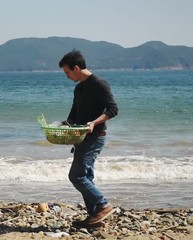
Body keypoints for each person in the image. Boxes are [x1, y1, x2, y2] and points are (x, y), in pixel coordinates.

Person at [58, 50, 118, 227]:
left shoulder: (99, 84)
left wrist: (93, 123)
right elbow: (74, 113)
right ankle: (95, 216)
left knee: (76, 176)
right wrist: (65, 125)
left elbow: (112, 109)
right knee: (86, 176)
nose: (67, 77)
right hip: (81, 137)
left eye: (68, 72)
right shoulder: (79, 88)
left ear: (76, 68)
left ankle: (103, 204)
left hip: (96, 136)